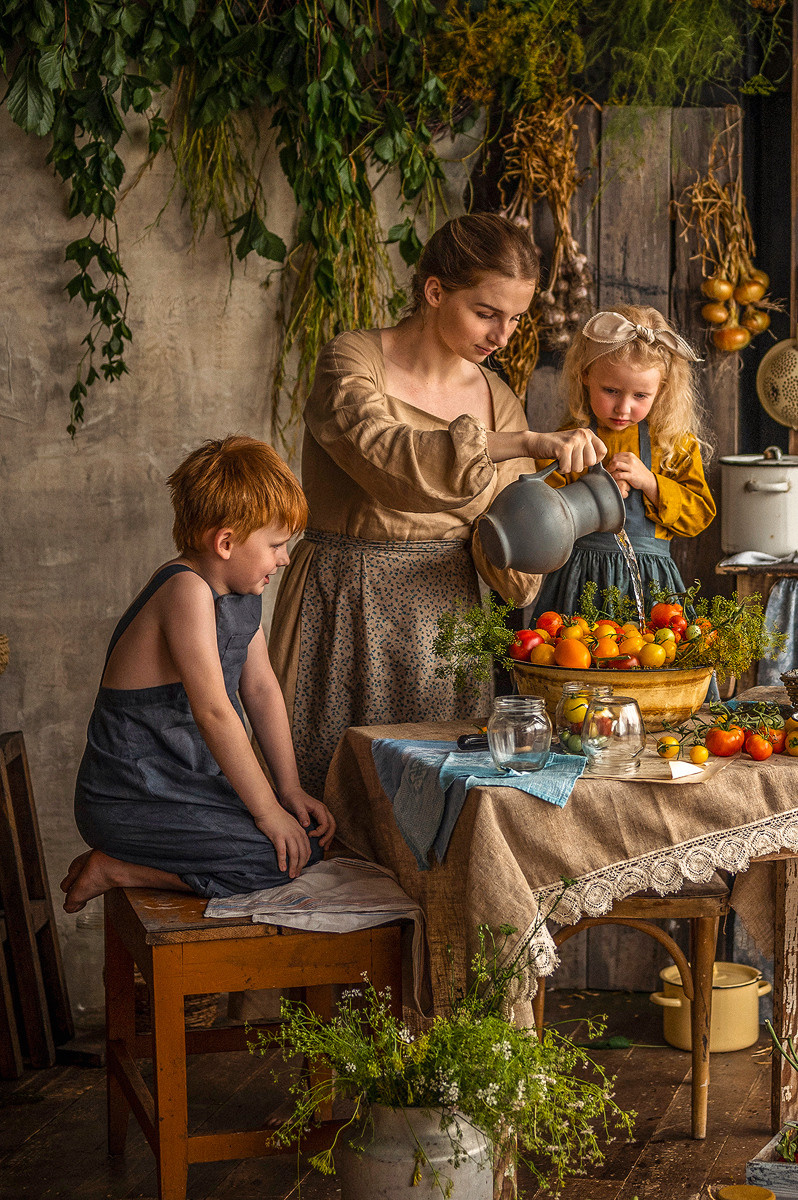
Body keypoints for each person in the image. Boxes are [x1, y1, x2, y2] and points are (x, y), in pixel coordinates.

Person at [268, 213, 607, 797]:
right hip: (345, 602)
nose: (503, 336)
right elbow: (392, 460)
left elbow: (511, 557)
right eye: (486, 313)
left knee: (434, 798)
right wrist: (522, 444)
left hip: (447, 622)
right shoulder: (353, 361)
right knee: (325, 792)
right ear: (434, 291)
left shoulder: (498, 399)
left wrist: (553, 518)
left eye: (517, 318)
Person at [61, 436, 336, 913]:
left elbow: (261, 689)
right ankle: (116, 867)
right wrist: (266, 811)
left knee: (305, 845)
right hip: (132, 797)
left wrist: (287, 789)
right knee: (275, 861)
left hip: (185, 786)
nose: (285, 558)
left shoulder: (239, 593)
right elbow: (214, 711)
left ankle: (141, 861)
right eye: (276, 544)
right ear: (226, 542)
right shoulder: (184, 590)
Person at [530, 305, 716, 622]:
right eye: (611, 390)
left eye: (640, 395)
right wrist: (592, 496)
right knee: (575, 659)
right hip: (581, 581)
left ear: (662, 390)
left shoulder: (674, 442)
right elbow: (546, 517)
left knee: (651, 662)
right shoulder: (567, 442)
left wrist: (651, 482)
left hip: (652, 585)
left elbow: (699, 514)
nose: (623, 407)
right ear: (585, 375)